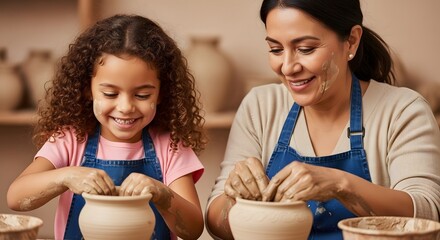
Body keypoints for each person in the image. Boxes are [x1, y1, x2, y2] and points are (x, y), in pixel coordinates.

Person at [206, 0, 440, 239]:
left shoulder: (403, 111)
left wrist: (341, 185)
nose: (287, 67)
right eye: (276, 50)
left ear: (351, 41)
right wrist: (234, 198)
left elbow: (427, 214)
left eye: (305, 49)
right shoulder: (260, 106)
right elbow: (215, 221)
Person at [7, 14, 207, 240]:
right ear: (87, 89)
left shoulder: (169, 147)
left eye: (142, 95)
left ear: (162, 93)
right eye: (110, 94)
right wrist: (65, 176)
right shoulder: (71, 140)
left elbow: (193, 230)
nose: (125, 107)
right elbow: (16, 197)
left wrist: (162, 194)